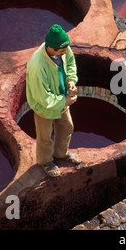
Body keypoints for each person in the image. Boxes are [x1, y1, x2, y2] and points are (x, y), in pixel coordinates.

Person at [26, 24, 81, 177]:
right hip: (45, 108)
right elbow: (43, 98)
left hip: (62, 98)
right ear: (50, 48)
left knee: (66, 127)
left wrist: (70, 80)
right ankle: (45, 162)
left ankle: (61, 154)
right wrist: (65, 101)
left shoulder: (63, 47)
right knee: (45, 138)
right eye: (62, 51)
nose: (66, 52)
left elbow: (70, 62)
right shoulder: (38, 66)